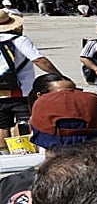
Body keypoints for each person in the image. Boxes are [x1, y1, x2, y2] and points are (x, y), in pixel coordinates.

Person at [0, 9, 64, 139]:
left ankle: (4, 154)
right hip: (21, 91)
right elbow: (39, 60)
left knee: (2, 126)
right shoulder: (19, 40)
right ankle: (24, 152)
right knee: (23, 123)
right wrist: (58, 76)